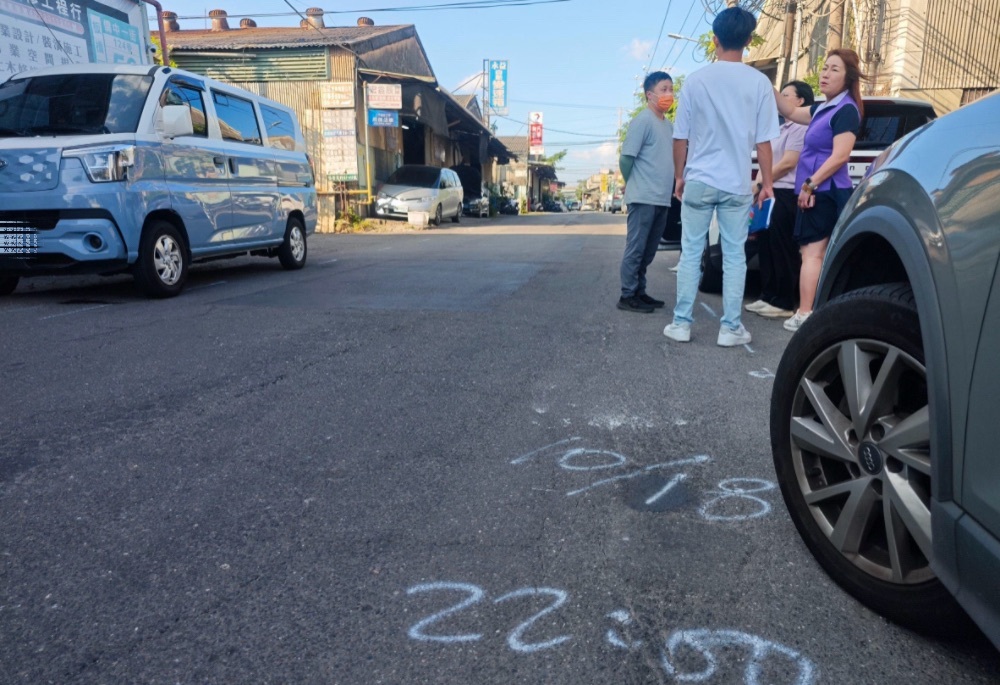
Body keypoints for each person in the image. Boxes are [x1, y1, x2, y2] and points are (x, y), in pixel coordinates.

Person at [663, 7, 779, 346]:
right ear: (749, 40)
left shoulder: (696, 81)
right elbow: (765, 142)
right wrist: (768, 183)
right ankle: (730, 329)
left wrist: (679, 177)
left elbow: (680, 138)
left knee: (689, 253)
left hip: (698, 179)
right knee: (734, 256)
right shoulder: (759, 82)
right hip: (737, 184)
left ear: (714, 39)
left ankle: (681, 324)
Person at [775, 49, 863, 332]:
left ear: (848, 78)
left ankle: (805, 313)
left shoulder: (846, 109)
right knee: (811, 253)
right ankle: (811, 311)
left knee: (812, 254)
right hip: (815, 190)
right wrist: (765, 86)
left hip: (824, 192)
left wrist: (810, 184)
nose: (825, 74)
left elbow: (840, 156)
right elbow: (788, 110)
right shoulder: (823, 108)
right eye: (824, 68)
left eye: (834, 69)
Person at [745, 81, 814, 319]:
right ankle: (768, 295)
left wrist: (758, 183)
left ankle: (784, 300)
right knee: (766, 245)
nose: (780, 99)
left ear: (800, 101)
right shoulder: (781, 128)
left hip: (785, 193)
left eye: (786, 95)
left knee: (782, 247)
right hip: (769, 191)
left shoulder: (800, 128)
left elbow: (788, 163)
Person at [617, 71, 675, 313]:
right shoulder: (643, 120)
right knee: (636, 248)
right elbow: (626, 158)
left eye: (671, 89)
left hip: (661, 198)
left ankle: (640, 291)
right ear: (649, 95)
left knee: (649, 250)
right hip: (643, 197)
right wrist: (634, 183)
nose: (669, 94)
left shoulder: (668, 125)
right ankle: (627, 295)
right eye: (663, 89)